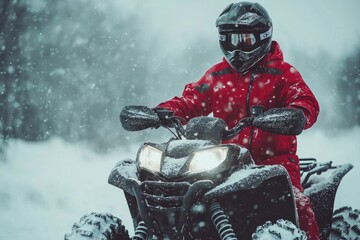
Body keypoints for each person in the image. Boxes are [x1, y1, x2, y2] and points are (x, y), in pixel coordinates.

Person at [155, 2, 320, 240]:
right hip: (226, 163)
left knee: (299, 206)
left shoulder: (283, 73)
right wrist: (162, 112)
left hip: (274, 164)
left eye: (245, 40)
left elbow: (306, 101)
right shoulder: (217, 75)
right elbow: (189, 101)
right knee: (183, 195)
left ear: (263, 37)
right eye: (229, 40)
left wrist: (298, 113)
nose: (236, 49)